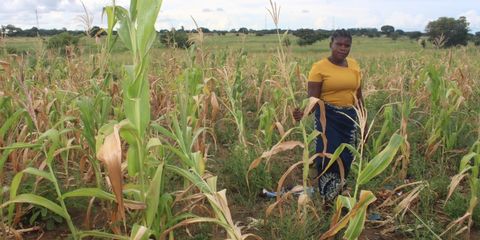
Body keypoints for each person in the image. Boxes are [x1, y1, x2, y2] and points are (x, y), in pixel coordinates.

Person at [293, 29, 364, 201]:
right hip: (328, 118)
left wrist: (364, 120)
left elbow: (359, 96)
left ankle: (340, 188)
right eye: (339, 44)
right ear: (330, 44)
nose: (343, 48)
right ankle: (327, 197)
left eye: (347, 45)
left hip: (351, 118)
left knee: (347, 155)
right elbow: (313, 99)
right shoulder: (319, 68)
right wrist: (302, 114)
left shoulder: (354, 65)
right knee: (328, 155)